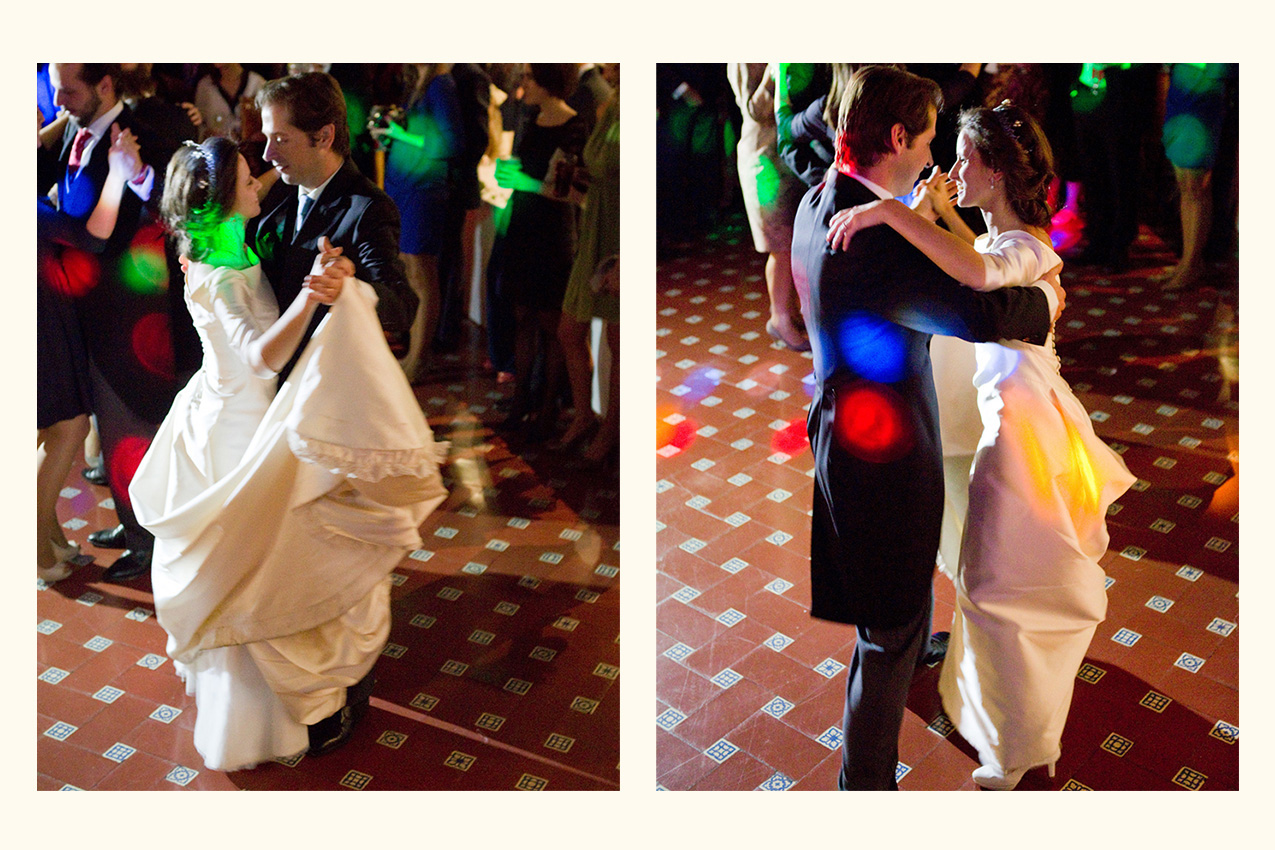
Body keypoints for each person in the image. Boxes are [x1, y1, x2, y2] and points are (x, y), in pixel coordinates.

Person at [827, 101, 1135, 790]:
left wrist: (892, 213)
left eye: (964, 158)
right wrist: (938, 214)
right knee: (986, 582)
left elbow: (978, 273)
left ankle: (1014, 750)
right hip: (997, 422)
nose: (952, 168)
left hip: (1021, 437)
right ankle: (1011, 727)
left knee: (999, 592)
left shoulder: (1028, 248)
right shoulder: (1004, 235)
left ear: (995, 171)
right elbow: (979, 253)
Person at [131, 137, 447, 771]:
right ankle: (262, 711)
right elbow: (259, 357)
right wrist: (311, 296)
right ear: (225, 198)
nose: (261, 181)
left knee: (262, 560)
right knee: (256, 566)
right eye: (248, 178)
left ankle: (291, 694)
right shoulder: (220, 272)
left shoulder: (233, 240)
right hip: (237, 429)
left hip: (242, 411)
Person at [789, 65, 1061, 791]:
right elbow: (978, 314)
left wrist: (909, 214)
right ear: (898, 137)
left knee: (896, 600)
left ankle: (913, 644)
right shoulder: (872, 240)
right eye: (930, 137)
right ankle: (865, 788)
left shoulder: (822, 197)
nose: (937, 154)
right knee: (886, 633)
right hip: (880, 453)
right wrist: (1048, 300)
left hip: (844, 427)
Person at [39, 63, 176, 584]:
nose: (61, 102)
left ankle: (149, 541)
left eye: (69, 92)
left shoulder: (144, 132)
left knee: (136, 427)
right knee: (113, 431)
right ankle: (132, 523)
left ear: (104, 85)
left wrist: (136, 175)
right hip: (80, 315)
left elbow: (169, 202)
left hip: (128, 316)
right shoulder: (71, 133)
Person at [250, 71, 416, 380]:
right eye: (268, 137)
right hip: (266, 375)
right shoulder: (278, 190)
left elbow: (402, 307)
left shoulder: (367, 208)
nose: (267, 154)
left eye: (281, 139)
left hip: (319, 378)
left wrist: (350, 287)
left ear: (324, 137)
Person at [37, 119, 143, 582]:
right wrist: (117, 175)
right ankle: (35, 549)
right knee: (68, 428)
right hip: (39, 329)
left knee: (57, 430)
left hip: (47, 321)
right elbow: (93, 235)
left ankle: (49, 539)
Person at [493, 64, 587, 441]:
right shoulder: (531, 117)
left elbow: (571, 191)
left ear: (548, 80)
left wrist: (524, 181)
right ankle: (521, 401)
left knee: (550, 325)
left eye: (529, 77)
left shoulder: (574, 125)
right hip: (523, 225)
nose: (523, 84)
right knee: (522, 317)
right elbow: (530, 169)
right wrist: (512, 175)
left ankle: (548, 409)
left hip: (553, 232)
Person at [375, 63, 463, 382]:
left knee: (423, 275)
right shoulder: (419, 83)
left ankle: (419, 359)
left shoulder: (441, 85)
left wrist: (400, 135)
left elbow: (450, 144)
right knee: (411, 272)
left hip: (423, 190)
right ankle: (413, 352)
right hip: (406, 186)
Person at [557, 64, 620, 461]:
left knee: (619, 342)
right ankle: (584, 416)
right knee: (569, 329)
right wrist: (580, 175)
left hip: (618, 231)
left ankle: (611, 430)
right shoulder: (611, 103)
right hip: (597, 223)